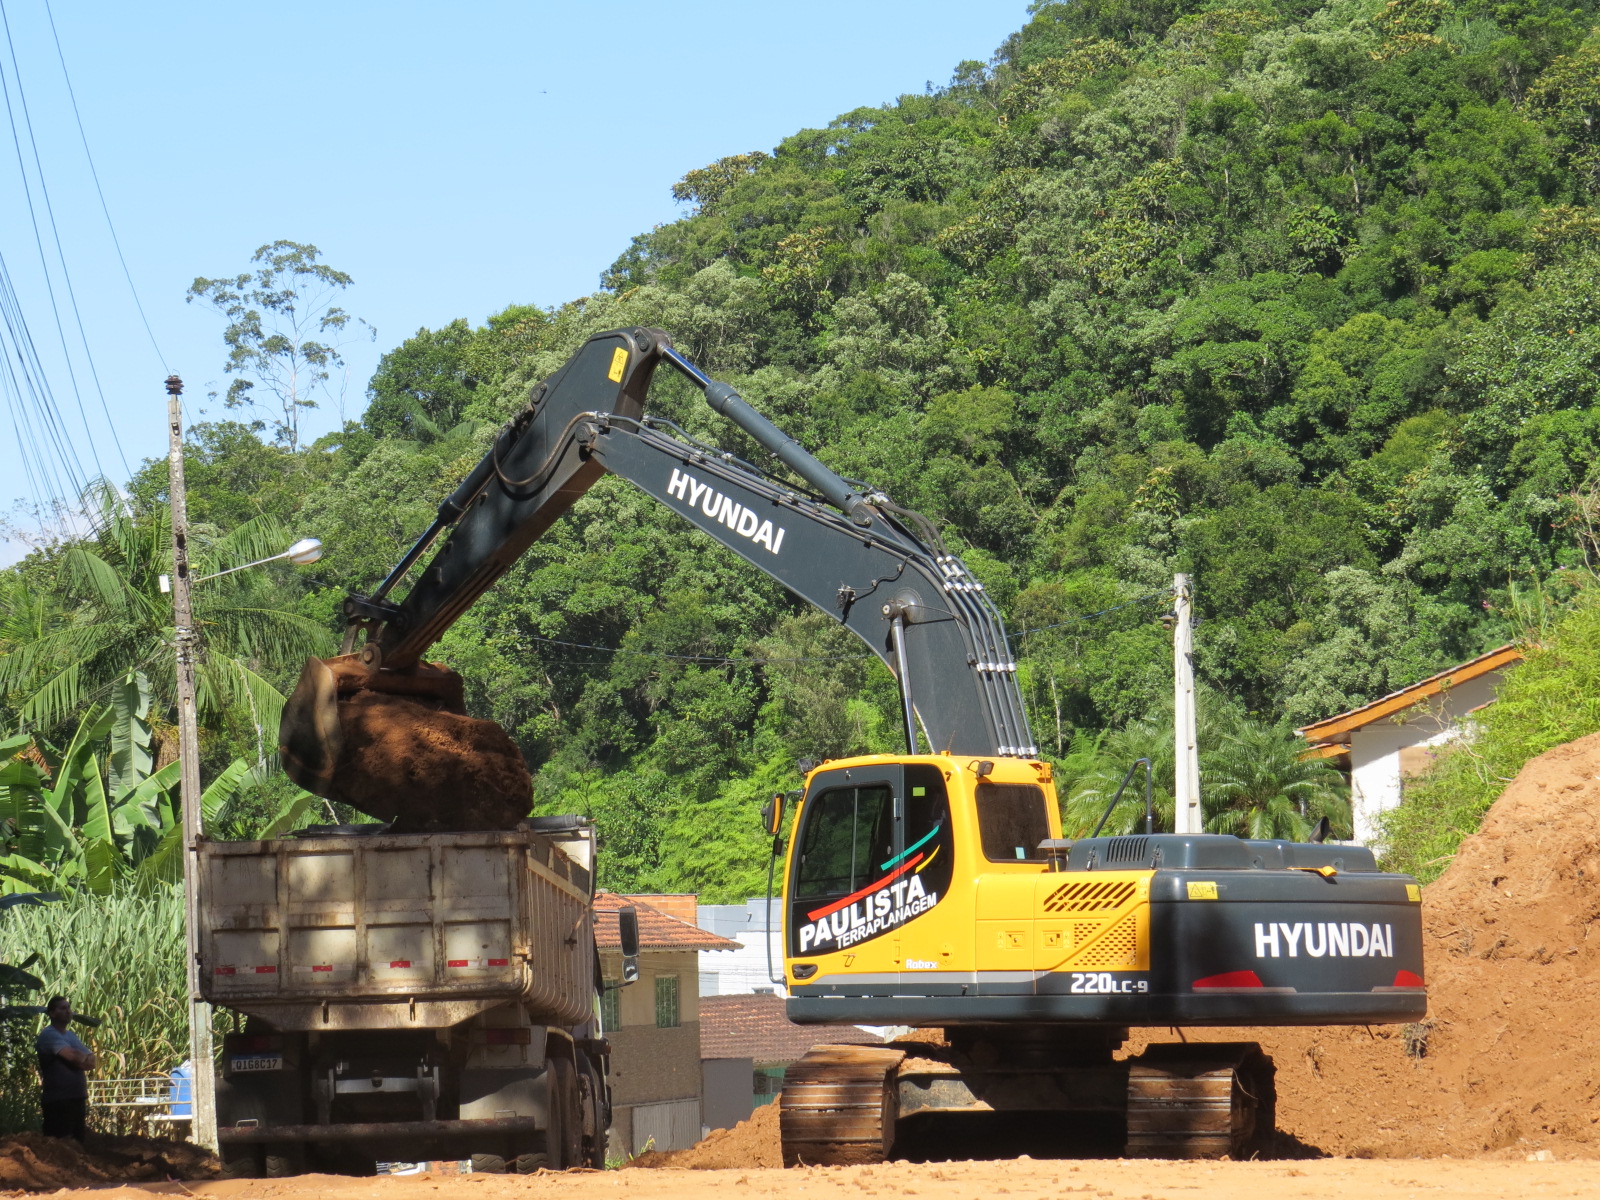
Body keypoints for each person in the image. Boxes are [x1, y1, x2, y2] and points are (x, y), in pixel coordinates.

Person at [36, 996, 95, 1141]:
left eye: (68, 1008)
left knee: (78, 1144)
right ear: (51, 1013)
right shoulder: (49, 1035)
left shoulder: (71, 1036)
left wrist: (79, 1059)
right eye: (63, 1008)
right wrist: (79, 1059)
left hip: (76, 1097)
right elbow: (75, 1057)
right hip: (59, 1100)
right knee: (60, 1144)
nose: (68, 1011)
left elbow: (92, 1061)